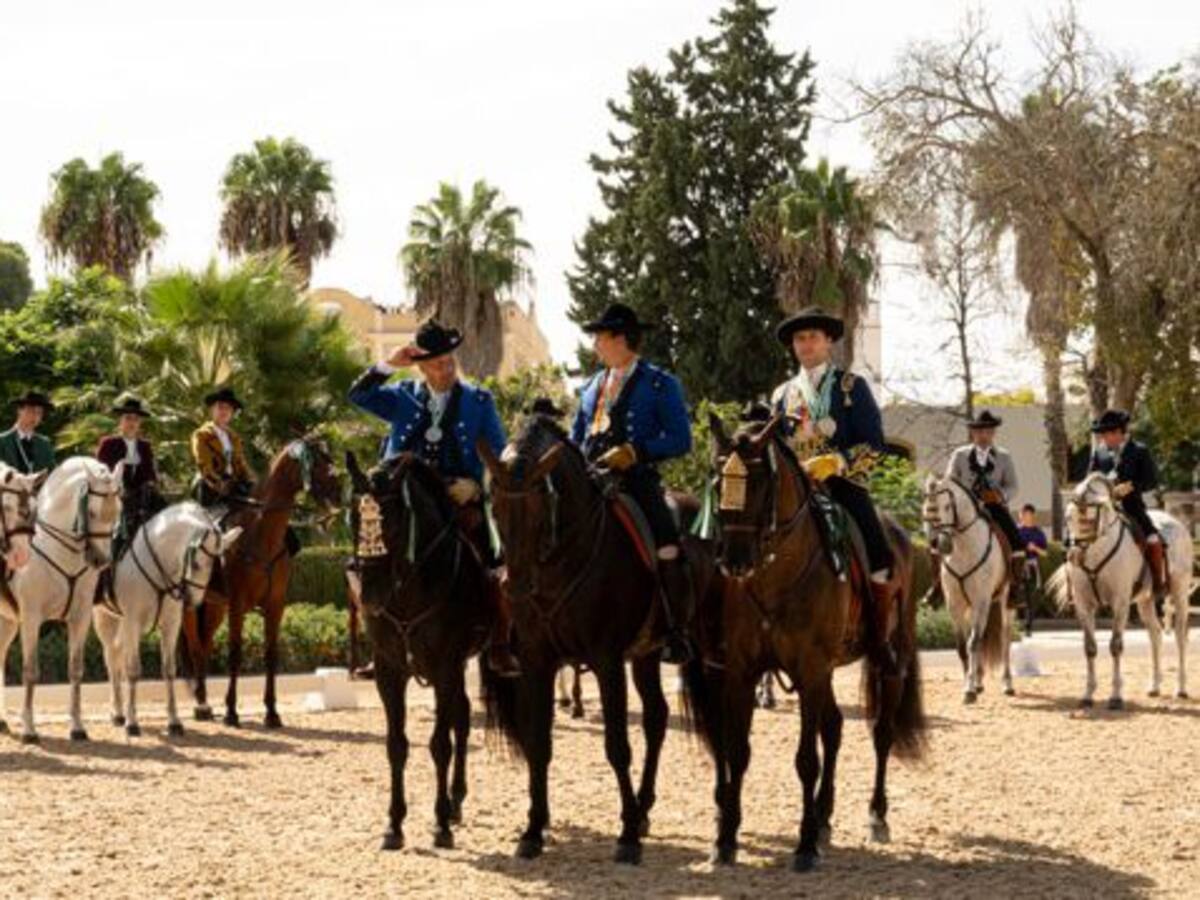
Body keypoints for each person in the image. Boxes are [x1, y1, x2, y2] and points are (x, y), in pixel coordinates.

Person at [347, 319, 519, 677]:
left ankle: (500, 643)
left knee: (491, 557)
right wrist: (388, 365)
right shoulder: (402, 395)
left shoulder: (479, 400)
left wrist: (476, 483)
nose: (447, 369)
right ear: (421, 366)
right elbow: (358, 396)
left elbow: (499, 453)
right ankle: (380, 645)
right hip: (405, 497)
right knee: (367, 556)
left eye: (449, 361)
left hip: (456, 497)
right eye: (438, 364)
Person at [769, 306, 898, 673]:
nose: (805, 344)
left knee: (876, 548)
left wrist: (837, 462)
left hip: (842, 486)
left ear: (828, 343)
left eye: (812, 337)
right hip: (795, 491)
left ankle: (878, 635)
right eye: (799, 338)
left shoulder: (850, 387)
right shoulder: (782, 394)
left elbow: (875, 444)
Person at [571, 303, 694, 664]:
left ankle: (674, 629)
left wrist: (637, 452)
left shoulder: (661, 383)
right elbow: (577, 438)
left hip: (636, 482)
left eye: (600, 336)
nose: (595, 344)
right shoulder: (591, 386)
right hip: (591, 479)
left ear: (621, 339)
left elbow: (681, 439)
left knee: (667, 542)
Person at [1088, 409, 1167, 605]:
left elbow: (1151, 480)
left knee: (1153, 537)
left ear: (1120, 432)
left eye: (1108, 434)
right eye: (1103, 435)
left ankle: (1157, 582)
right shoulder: (1099, 452)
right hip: (1105, 508)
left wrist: (1131, 487)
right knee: (1078, 537)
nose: (1105, 438)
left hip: (1132, 507)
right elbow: (1090, 479)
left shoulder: (1139, 450)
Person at [944, 410, 1026, 583]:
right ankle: (938, 584)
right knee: (941, 538)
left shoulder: (1004, 456)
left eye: (988, 432)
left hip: (994, 507)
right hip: (964, 508)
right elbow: (949, 482)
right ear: (973, 433)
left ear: (994, 433)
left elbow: (1013, 486)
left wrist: (1000, 495)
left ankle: (1015, 585)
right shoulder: (959, 455)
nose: (984, 436)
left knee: (1017, 541)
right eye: (980, 431)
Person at [96, 395, 162, 599]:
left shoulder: (145, 446)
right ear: (121, 421)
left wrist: (150, 483)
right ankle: (103, 580)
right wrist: (117, 489)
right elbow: (101, 472)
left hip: (141, 497)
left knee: (166, 514)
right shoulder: (109, 444)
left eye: (135, 419)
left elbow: (150, 473)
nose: (131, 422)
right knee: (112, 533)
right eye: (128, 418)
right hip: (114, 496)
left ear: (139, 422)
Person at [191, 387, 256, 516]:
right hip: (210, 485)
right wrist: (221, 485)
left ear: (232, 413)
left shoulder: (234, 437)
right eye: (220, 407)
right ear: (212, 410)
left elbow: (241, 464)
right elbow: (204, 465)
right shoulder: (201, 434)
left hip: (234, 484)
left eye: (228, 408)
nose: (224, 411)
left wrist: (253, 481)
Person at [0, 389, 56, 474]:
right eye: (31, 411)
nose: (35, 416)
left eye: (39, 413)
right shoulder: (3, 441)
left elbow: (52, 473)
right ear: (19, 411)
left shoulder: (44, 443)